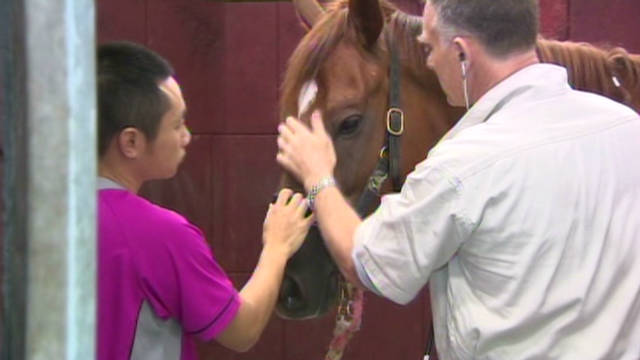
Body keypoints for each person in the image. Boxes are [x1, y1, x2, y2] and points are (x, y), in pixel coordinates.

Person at [275, 0, 640, 358]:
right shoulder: (628, 130)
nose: (429, 63)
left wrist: (318, 176)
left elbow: (366, 263)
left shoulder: (460, 167)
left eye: (430, 49)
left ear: (462, 55)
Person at [97, 41, 312, 360]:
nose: (187, 136)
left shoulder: (36, 218)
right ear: (131, 141)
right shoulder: (162, 235)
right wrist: (277, 246)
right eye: (176, 124)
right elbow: (241, 330)